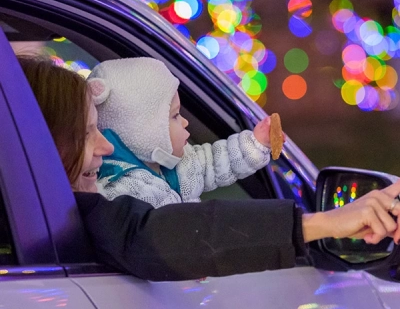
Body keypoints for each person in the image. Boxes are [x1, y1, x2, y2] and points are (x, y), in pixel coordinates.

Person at [18, 55, 400, 282]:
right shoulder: (102, 199)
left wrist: (255, 145)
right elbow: (151, 236)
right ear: (42, 143)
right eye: (88, 133)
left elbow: (214, 163)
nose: (105, 144)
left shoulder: (47, 214)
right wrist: (325, 224)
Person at [88, 57, 280, 208]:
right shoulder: (119, 192)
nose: (185, 121)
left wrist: (256, 143)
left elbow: (216, 162)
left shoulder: (178, 163)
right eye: (175, 116)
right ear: (146, 132)